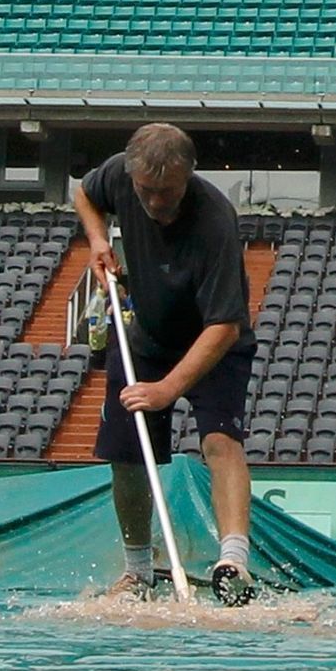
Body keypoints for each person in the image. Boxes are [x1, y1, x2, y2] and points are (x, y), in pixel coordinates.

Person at [75, 123, 259, 605]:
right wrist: (97, 240)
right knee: (127, 456)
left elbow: (225, 326)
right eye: (147, 192)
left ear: (188, 176)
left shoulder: (215, 219)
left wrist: (168, 389)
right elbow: (84, 193)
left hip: (212, 340)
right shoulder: (118, 175)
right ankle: (138, 571)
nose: (156, 202)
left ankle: (233, 560)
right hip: (146, 336)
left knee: (221, 441)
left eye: (168, 191)